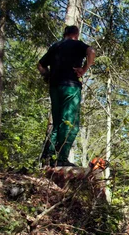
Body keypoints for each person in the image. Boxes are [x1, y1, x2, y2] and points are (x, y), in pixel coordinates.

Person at [37, 25, 95, 167]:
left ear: (65, 34)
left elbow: (40, 65)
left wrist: (48, 76)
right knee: (70, 123)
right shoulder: (77, 45)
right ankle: (61, 159)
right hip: (70, 86)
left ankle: (47, 157)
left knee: (57, 124)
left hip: (55, 87)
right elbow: (92, 51)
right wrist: (84, 69)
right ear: (76, 34)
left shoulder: (55, 47)